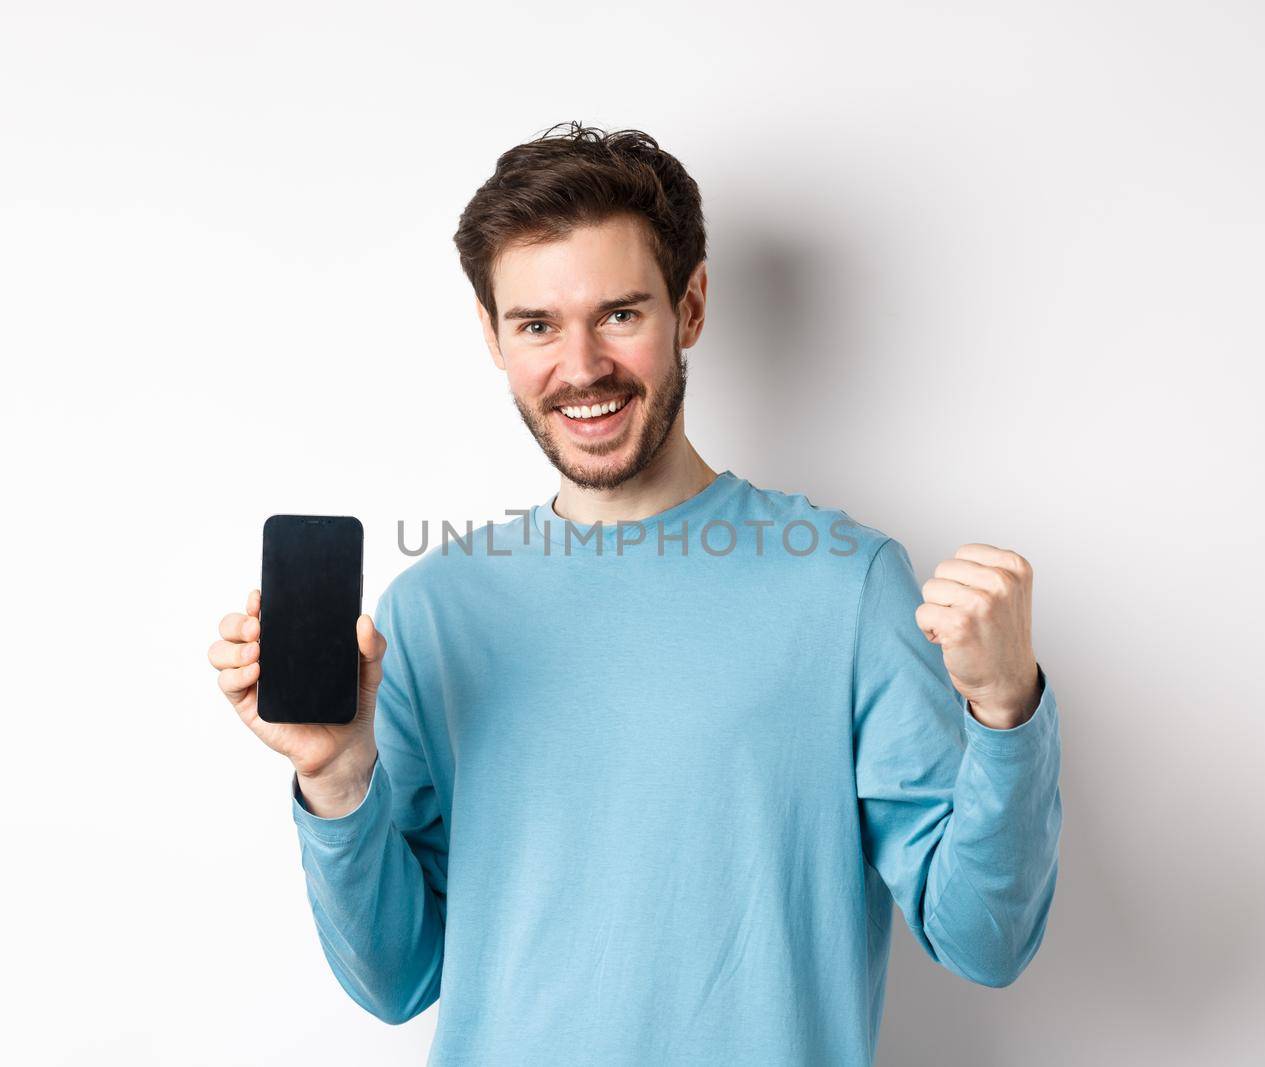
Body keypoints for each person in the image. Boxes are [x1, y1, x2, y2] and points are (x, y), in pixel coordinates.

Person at [208, 120, 1062, 1066]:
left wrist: (1004, 710)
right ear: (493, 336)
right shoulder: (433, 611)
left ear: (690, 306)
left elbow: (986, 940)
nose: (580, 368)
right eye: (537, 324)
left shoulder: (845, 587)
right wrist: (335, 778)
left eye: (619, 313)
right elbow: (394, 977)